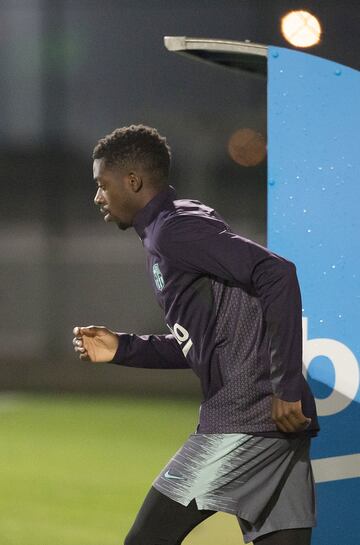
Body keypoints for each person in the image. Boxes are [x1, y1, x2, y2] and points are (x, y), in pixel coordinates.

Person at [72, 124, 319, 545]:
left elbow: (277, 273)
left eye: (102, 185)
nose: (98, 197)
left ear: (132, 181)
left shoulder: (175, 230)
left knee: (146, 539)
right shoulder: (176, 222)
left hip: (247, 415)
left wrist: (286, 386)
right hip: (269, 419)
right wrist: (124, 348)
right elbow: (208, 341)